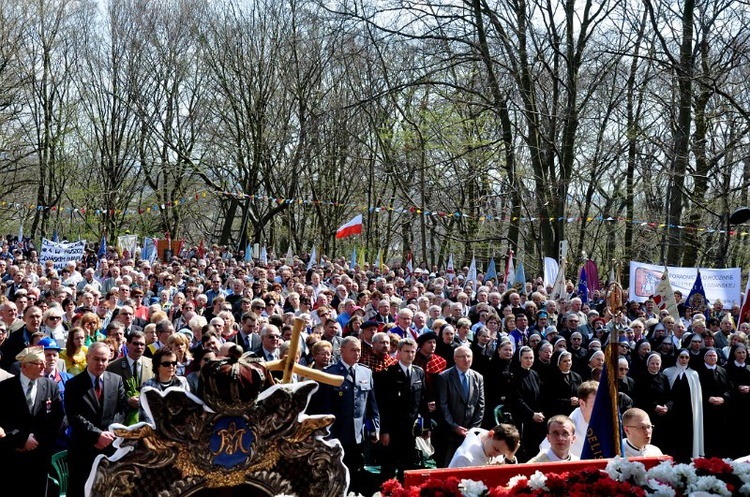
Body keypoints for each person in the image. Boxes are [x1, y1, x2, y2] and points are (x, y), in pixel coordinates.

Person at [312, 336, 379, 494]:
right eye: (353, 350)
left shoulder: (366, 372)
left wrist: (375, 427)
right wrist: (326, 435)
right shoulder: (330, 374)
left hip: (358, 434)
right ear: (342, 351)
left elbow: (372, 404)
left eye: (359, 350)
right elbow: (323, 407)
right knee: (337, 473)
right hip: (337, 434)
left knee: (357, 471)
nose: (357, 353)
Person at [64, 342, 128, 497]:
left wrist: (108, 434)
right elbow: (74, 416)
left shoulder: (116, 380)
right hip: (83, 448)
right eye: (96, 359)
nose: (100, 363)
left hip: (109, 447)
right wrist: (97, 435)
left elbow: (121, 410)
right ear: (87, 358)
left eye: (104, 360)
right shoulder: (73, 384)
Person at [0, 346, 64, 497]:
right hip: (13, 453)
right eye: (38, 363)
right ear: (24, 366)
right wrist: (21, 439)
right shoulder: (5, 388)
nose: (44, 366)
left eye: (44, 362)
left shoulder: (50, 386)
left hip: (39, 454)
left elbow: (58, 418)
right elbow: (3, 419)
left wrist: (37, 439)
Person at [375, 337, 430, 480]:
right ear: (398, 352)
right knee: (389, 466)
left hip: (411, 429)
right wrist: (384, 431)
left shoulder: (419, 372)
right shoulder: (387, 374)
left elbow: (422, 402)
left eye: (412, 352)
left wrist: (426, 427)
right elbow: (382, 406)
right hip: (393, 429)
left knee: (408, 467)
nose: (410, 355)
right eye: (406, 351)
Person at [436, 345, 485, 467]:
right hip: (450, 432)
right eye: (462, 356)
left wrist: (473, 429)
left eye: (468, 356)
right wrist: (454, 426)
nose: (466, 359)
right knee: (448, 466)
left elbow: (481, 405)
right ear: (455, 359)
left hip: (470, 432)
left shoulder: (478, 377)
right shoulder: (444, 377)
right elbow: (443, 405)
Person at [662, 348, 704, 461]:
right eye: (682, 357)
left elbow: (697, 398)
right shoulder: (668, 372)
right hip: (672, 411)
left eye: (686, 357)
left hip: (689, 412)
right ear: (677, 357)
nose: (684, 360)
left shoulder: (694, 374)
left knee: (688, 436)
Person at [507, 346, 545, 462]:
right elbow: (518, 400)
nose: (529, 360)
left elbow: (540, 395)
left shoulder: (534, 374)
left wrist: (540, 413)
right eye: (526, 358)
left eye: (531, 358)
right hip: (522, 418)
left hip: (537, 417)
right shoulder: (515, 376)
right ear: (520, 359)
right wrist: (531, 414)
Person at [448, 423, 521, 468]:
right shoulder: (465, 458)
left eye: (501, 454)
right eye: (496, 449)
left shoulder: (493, 442)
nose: (496, 456)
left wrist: (509, 456)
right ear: (490, 434)